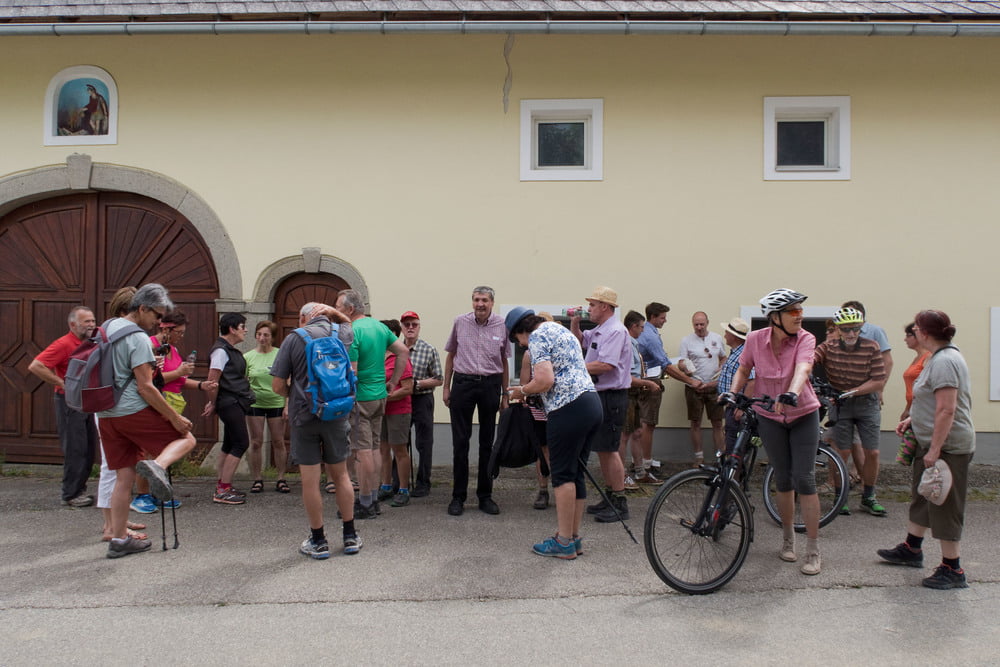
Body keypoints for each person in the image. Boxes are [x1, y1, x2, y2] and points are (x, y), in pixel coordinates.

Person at [97, 283, 197, 558]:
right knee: (186, 438)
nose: (158, 322)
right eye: (156, 315)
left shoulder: (106, 327)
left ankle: (118, 540)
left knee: (124, 476)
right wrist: (174, 417)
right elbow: (145, 387)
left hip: (106, 413)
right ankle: (157, 465)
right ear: (141, 308)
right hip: (131, 409)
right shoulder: (137, 337)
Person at [728, 288, 823, 575]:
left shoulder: (805, 338)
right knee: (783, 479)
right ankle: (788, 540)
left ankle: (813, 549)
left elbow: (803, 369)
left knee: (804, 478)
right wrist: (733, 394)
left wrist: (792, 393)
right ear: (775, 317)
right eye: (793, 311)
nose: (800, 316)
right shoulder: (756, 339)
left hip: (803, 413)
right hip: (769, 416)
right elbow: (744, 370)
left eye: (800, 311)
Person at [879, 310, 974, 589]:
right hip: (930, 441)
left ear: (924, 333)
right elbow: (930, 401)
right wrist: (913, 419)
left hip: (948, 447)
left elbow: (946, 408)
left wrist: (935, 449)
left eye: (916, 328)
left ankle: (952, 569)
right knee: (924, 497)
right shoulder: (936, 358)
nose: (914, 331)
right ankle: (912, 548)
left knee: (945, 504)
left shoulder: (945, 361)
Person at [506, 307, 602, 560]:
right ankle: (573, 537)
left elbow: (545, 380)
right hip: (591, 403)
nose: (521, 345)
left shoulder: (536, 338)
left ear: (520, 332)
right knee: (576, 473)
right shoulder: (559, 329)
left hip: (567, 407)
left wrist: (522, 391)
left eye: (517, 340)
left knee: (561, 475)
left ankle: (562, 541)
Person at [270, 302, 361, 559]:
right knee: (341, 476)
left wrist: (297, 395)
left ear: (302, 318)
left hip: (304, 416)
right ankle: (350, 536)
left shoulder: (294, 339)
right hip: (336, 414)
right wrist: (333, 312)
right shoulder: (340, 334)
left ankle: (319, 541)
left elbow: (277, 385)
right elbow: (348, 322)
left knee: (310, 482)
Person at [334, 289, 408, 519]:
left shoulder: (352, 331)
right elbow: (403, 351)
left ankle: (365, 503)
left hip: (361, 398)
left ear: (350, 309)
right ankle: (373, 498)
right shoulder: (379, 326)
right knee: (375, 448)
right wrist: (392, 382)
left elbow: (352, 371)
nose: (336, 312)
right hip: (379, 396)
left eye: (338, 307)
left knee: (362, 451)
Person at [814, 307, 888, 517]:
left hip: (866, 403)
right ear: (838, 329)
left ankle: (869, 496)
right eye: (846, 329)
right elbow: (810, 359)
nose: (851, 334)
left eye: (855, 329)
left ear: (861, 327)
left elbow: (878, 380)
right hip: (841, 405)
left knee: (872, 452)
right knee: (841, 452)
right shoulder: (828, 347)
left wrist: (851, 392)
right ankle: (841, 496)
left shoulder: (871, 347)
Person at [442, 286, 509, 516]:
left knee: (487, 443)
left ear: (492, 302)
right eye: (476, 300)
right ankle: (458, 497)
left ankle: (485, 496)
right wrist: (446, 388)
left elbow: (504, 361)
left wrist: (505, 393)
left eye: (484, 300)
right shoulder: (460, 322)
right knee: (460, 442)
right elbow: (451, 355)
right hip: (463, 384)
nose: (480, 304)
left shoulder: (502, 325)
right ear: (472, 302)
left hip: (490, 385)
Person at [571, 286, 632, 523]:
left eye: (593, 305)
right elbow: (580, 343)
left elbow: (606, 365)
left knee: (609, 450)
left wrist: (574, 367)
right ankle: (610, 497)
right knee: (604, 449)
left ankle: (619, 501)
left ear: (605, 307)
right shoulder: (600, 330)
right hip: (601, 395)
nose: (589, 309)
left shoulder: (615, 331)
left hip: (611, 397)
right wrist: (575, 324)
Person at [29, 305, 99, 508]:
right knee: (75, 448)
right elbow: (36, 365)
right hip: (69, 403)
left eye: (93, 321)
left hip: (86, 401)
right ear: (72, 324)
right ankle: (70, 494)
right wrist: (62, 383)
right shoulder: (64, 343)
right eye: (87, 322)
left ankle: (79, 489)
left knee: (88, 447)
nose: (91, 325)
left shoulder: (88, 343)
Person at [96, 286, 147, 542]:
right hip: (116, 405)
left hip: (105, 403)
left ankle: (118, 522)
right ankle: (110, 527)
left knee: (118, 468)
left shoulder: (105, 330)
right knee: (113, 468)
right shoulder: (124, 333)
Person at [203, 312, 255, 505]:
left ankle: (222, 485)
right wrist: (213, 403)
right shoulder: (221, 351)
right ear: (232, 329)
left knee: (229, 443)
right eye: (243, 326)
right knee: (241, 442)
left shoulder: (228, 350)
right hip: (229, 402)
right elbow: (212, 380)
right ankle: (223, 489)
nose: (246, 330)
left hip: (233, 401)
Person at [400, 311, 443, 498]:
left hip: (422, 399)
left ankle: (423, 483)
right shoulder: (394, 349)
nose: (410, 328)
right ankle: (398, 482)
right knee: (399, 442)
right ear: (401, 327)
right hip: (400, 400)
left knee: (424, 443)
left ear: (419, 327)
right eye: (407, 324)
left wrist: (417, 384)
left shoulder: (429, 349)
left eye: (414, 324)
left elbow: (439, 379)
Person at [244, 320, 289, 494]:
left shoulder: (280, 355)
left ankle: (281, 478)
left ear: (272, 337)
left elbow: (287, 381)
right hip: (255, 403)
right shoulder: (248, 357)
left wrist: (287, 405)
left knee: (278, 441)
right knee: (256, 442)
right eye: (259, 334)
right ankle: (257, 478)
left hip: (276, 402)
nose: (262, 338)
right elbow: (243, 381)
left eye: (266, 335)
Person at [620, 310, 663, 486]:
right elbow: (627, 376)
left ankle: (640, 472)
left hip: (635, 393)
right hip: (628, 393)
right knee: (624, 435)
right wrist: (648, 383)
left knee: (637, 433)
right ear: (633, 326)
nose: (643, 331)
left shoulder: (634, 343)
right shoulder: (627, 345)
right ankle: (620, 475)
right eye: (641, 327)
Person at [678, 311, 727, 464]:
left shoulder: (717, 338)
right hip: (695, 387)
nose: (699, 327)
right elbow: (681, 362)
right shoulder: (686, 341)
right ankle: (699, 457)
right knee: (695, 422)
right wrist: (684, 368)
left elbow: (723, 357)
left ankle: (721, 457)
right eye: (696, 324)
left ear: (707, 323)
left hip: (713, 387)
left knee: (718, 423)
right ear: (693, 324)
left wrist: (722, 367)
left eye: (702, 324)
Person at [377, 319, 414, 507]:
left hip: (398, 411)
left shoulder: (401, 356)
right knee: (383, 449)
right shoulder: (378, 355)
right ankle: (385, 486)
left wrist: (384, 397)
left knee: (399, 450)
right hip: (380, 410)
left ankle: (403, 489)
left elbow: (408, 388)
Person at [716, 317, 753, 453]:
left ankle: (735, 473)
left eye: (727, 332)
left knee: (735, 447)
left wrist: (743, 406)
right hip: (732, 404)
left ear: (733, 336)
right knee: (731, 440)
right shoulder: (735, 353)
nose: (725, 335)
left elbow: (752, 381)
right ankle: (733, 471)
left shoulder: (743, 354)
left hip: (738, 406)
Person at [900, 322, 930, 421]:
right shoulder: (917, 358)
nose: (905, 339)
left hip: (923, 410)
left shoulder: (928, 357)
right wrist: (907, 409)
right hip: (913, 408)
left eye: (908, 336)